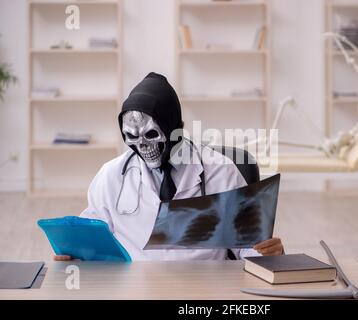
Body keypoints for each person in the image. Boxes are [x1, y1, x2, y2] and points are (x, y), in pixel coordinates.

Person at [55, 72, 283, 261]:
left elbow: (250, 248)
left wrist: (270, 253)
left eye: (151, 134)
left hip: (204, 290)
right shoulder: (111, 175)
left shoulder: (221, 171)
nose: (142, 145)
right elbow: (92, 239)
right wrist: (75, 254)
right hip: (136, 291)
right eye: (131, 137)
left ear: (174, 127)